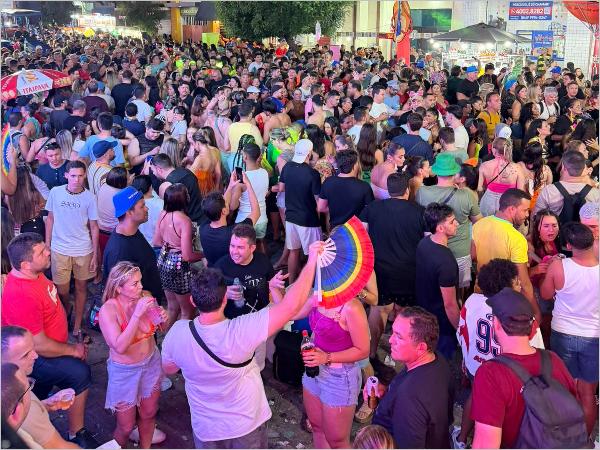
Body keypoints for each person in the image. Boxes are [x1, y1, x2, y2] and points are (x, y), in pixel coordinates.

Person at [161, 242, 322, 449]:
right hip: (246, 424)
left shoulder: (177, 332)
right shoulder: (242, 330)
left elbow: (169, 369)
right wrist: (311, 261)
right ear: (224, 298)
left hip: (206, 428)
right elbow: (291, 307)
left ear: (193, 301)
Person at [1, 233, 97, 448]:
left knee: (37, 392)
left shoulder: (34, 274)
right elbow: (38, 345)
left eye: (45, 247)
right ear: (25, 265)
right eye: (42, 252)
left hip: (42, 349)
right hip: (33, 355)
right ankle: (77, 434)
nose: (48, 252)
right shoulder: (22, 295)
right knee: (79, 373)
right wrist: (72, 350)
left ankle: (33, 402)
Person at [470, 289, 582, 449]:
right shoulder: (554, 360)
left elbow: (485, 445)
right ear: (531, 327)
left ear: (496, 324)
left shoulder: (490, 374)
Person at [453, 259, 545, 449]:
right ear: (507, 288)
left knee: (475, 398)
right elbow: (536, 349)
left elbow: (462, 332)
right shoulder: (521, 311)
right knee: (504, 413)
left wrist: (467, 357)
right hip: (509, 374)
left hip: (478, 367)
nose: (519, 284)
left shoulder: (471, 301)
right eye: (516, 281)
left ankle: (461, 439)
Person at [98, 262, 168, 448]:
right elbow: (120, 347)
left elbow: (161, 326)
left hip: (151, 363)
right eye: (135, 284)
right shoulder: (108, 310)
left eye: (140, 281)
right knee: (126, 427)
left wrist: (164, 317)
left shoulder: (145, 297)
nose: (141, 287)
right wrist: (136, 315)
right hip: (125, 372)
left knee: (149, 415)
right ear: (119, 288)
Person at [359, 173, 427, 365]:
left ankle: (372, 352)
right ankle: (403, 356)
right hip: (409, 272)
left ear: (388, 191)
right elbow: (428, 242)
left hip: (380, 272)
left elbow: (361, 237)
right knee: (405, 315)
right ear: (407, 190)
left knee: (379, 310)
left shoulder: (372, 208)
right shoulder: (420, 212)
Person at [539, 222, 599, 437]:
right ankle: (584, 440)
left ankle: (564, 438)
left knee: (565, 389)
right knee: (588, 394)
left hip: (563, 334)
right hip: (593, 337)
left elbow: (545, 294)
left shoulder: (559, 266)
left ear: (569, 246)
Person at [370, 307, 453, 449]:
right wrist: (388, 395)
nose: (390, 340)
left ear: (421, 348)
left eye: (399, 336)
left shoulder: (408, 399)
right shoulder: (437, 359)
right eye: (393, 332)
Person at [1, 327, 81, 449]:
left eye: (33, 348)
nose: (36, 355)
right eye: (25, 355)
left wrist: (45, 405)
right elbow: (60, 447)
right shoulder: (23, 404)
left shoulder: (10, 382)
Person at [45, 160, 99, 339]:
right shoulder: (56, 192)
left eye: (80, 176)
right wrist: (47, 244)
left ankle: (77, 326)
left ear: (85, 176)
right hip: (59, 248)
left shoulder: (90, 197)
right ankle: (67, 308)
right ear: (66, 175)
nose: (77, 179)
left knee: (82, 287)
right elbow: (50, 218)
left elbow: (94, 227)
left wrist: (95, 255)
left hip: (83, 249)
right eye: (73, 175)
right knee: (62, 290)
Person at [472, 188, 540, 324]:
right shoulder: (517, 239)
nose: (527, 214)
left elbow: (473, 256)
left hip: (480, 293)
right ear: (512, 209)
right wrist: (536, 312)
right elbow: (523, 281)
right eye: (525, 210)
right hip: (505, 303)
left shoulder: (478, 225)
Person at [153, 184, 204, 331]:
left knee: (172, 307)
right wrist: (204, 253)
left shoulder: (163, 214)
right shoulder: (184, 220)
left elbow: (156, 242)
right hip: (178, 267)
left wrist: (170, 244)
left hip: (163, 261)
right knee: (188, 311)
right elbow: (187, 255)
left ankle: (167, 339)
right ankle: (181, 341)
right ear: (182, 199)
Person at [103, 186, 164, 303]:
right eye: (142, 206)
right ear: (129, 213)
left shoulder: (134, 232)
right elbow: (120, 296)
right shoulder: (119, 251)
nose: (146, 209)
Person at [416, 203, 460, 359]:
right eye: (452, 222)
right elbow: (450, 305)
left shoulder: (424, 243)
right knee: (443, 361)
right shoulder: (446, 262)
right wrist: (460, 330)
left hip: (425, 316)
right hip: (443, 324)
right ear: (440, 228)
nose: (457, 224)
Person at [278, 139, 322, 283]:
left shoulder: (287, 167)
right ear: (309, 154)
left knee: (293, 251)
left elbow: (281, 188)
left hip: (290, 217)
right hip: (308, 219)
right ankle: (310, 285)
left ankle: (291, 283)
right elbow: (318, 200)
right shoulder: (312, 174)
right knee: (313, 255)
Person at [532, 150, 599, 219]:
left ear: (563, 168)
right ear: (583, 169)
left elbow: (535, 217)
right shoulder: (596, 194)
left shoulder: (549, 191)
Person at [318, 150, 374, 228]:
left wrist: (335, 208)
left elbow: (321, 208)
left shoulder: (328, 182)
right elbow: (370, 212)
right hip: (355, 230)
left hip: (335, 229)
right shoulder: (364, 187)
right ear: (354, 166)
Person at [230, 143, 269, 250]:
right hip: (262, 218)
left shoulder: (242, 180)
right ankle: (266, 261)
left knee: (244, 249)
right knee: (261, 243)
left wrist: (232, 189)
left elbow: (233, 206)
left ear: (245, 156)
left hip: (245, 220)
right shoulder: (265, 173)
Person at [150, 153, 206, 225]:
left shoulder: (166, 186)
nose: (153, 173)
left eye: (153, 170)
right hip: (203, 219)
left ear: (159, 169)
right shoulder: (189, 173)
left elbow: (168, 214)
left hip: (186, 225)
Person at [477, 137, 525, 217]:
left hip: (487, 202)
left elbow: (479, 188)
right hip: (507, 205)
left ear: (494, 150)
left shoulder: (484, 165)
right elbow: (520, 193)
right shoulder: (517, 168)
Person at [132, 175, 164, 251]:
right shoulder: (161, 203)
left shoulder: (133, 206)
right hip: (157, 245)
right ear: (150, 187)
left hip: (139, 245)